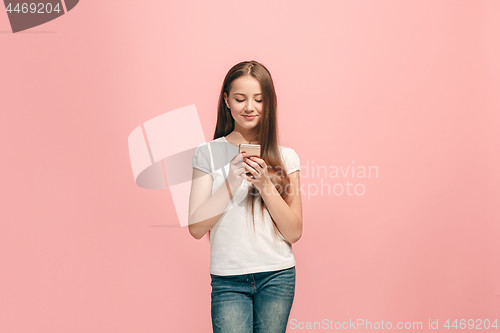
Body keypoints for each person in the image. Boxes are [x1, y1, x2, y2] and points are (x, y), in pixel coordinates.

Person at [188, 60, 303, 333]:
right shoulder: (207, 153)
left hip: (277, 275)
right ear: (226, 100)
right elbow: (196, 227)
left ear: (269, 103)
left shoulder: (286, 157)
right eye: (240, 99)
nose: (249, 107)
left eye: (258, 99)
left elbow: (294, 231)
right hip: (228, 279)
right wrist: (230, 181)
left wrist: (265, 185)